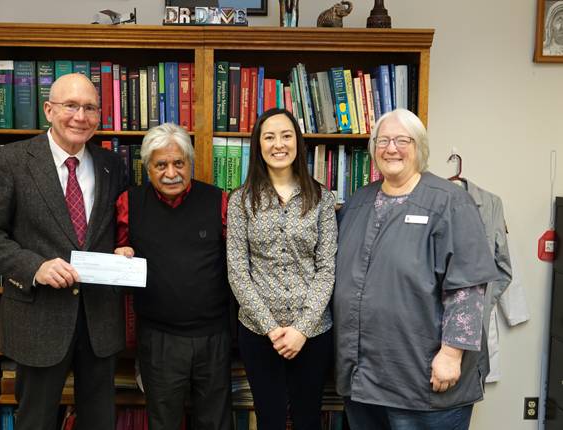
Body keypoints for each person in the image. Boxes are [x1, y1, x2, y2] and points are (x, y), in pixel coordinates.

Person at [0, 73, 126, 430]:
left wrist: (125, 248)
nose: (79, 117)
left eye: (89, 108)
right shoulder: (10, 161)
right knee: (35, 421)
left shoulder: (111, 165)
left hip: (99, 319)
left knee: (100, 420)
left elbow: (118, 227)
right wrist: (34, 267)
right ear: (48, 109)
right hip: (38, 319)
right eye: (70, 106)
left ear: (99, 116)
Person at [334, 108, 498, 430]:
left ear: (419, 147)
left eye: (401, 140)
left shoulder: (450, 202)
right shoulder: (357, 203)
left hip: (423, 382)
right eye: (383, 141)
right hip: (363, 379)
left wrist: (451, 355)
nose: (391, 148)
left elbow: (467, 287)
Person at [114, 122, 232, 430]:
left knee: (216, 421)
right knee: (163, 421)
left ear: (189, 163)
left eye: (179, 163)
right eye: (161, 165)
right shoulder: (129, 203)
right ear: (147, 168)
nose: (171, 173)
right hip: (158, 338)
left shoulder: (219, 200)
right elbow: (118, 249)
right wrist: (120, 253)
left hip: (214, 336)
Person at [227, 108, 337, 430]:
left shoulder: (322, 199)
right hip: (259, 333)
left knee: (307, 420)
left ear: (298, 143)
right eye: (269, 136)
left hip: (313, 333)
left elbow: (326, 268)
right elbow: (237, 269)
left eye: (286, 136)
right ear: (258, 145)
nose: (279, 144)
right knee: (269, 419)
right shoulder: (241, 201)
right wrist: (271, 328)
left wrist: (301, 329)